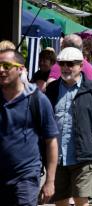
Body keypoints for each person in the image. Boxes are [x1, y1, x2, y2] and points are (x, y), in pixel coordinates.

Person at [45, 47, 92, 206]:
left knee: (81, 200)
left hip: (84, 155)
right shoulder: (52, 89)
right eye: (62, 64)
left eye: (70, 64)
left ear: (81, 66)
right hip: (58, 158)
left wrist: (91, 136)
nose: (66, 68)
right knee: (60, 202)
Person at [0, 49, 59, 205]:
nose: (1, 70)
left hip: (25, 178)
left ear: (20, 69)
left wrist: (50, 181)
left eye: (6, 65)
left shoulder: (37, 99)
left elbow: (51, 141)